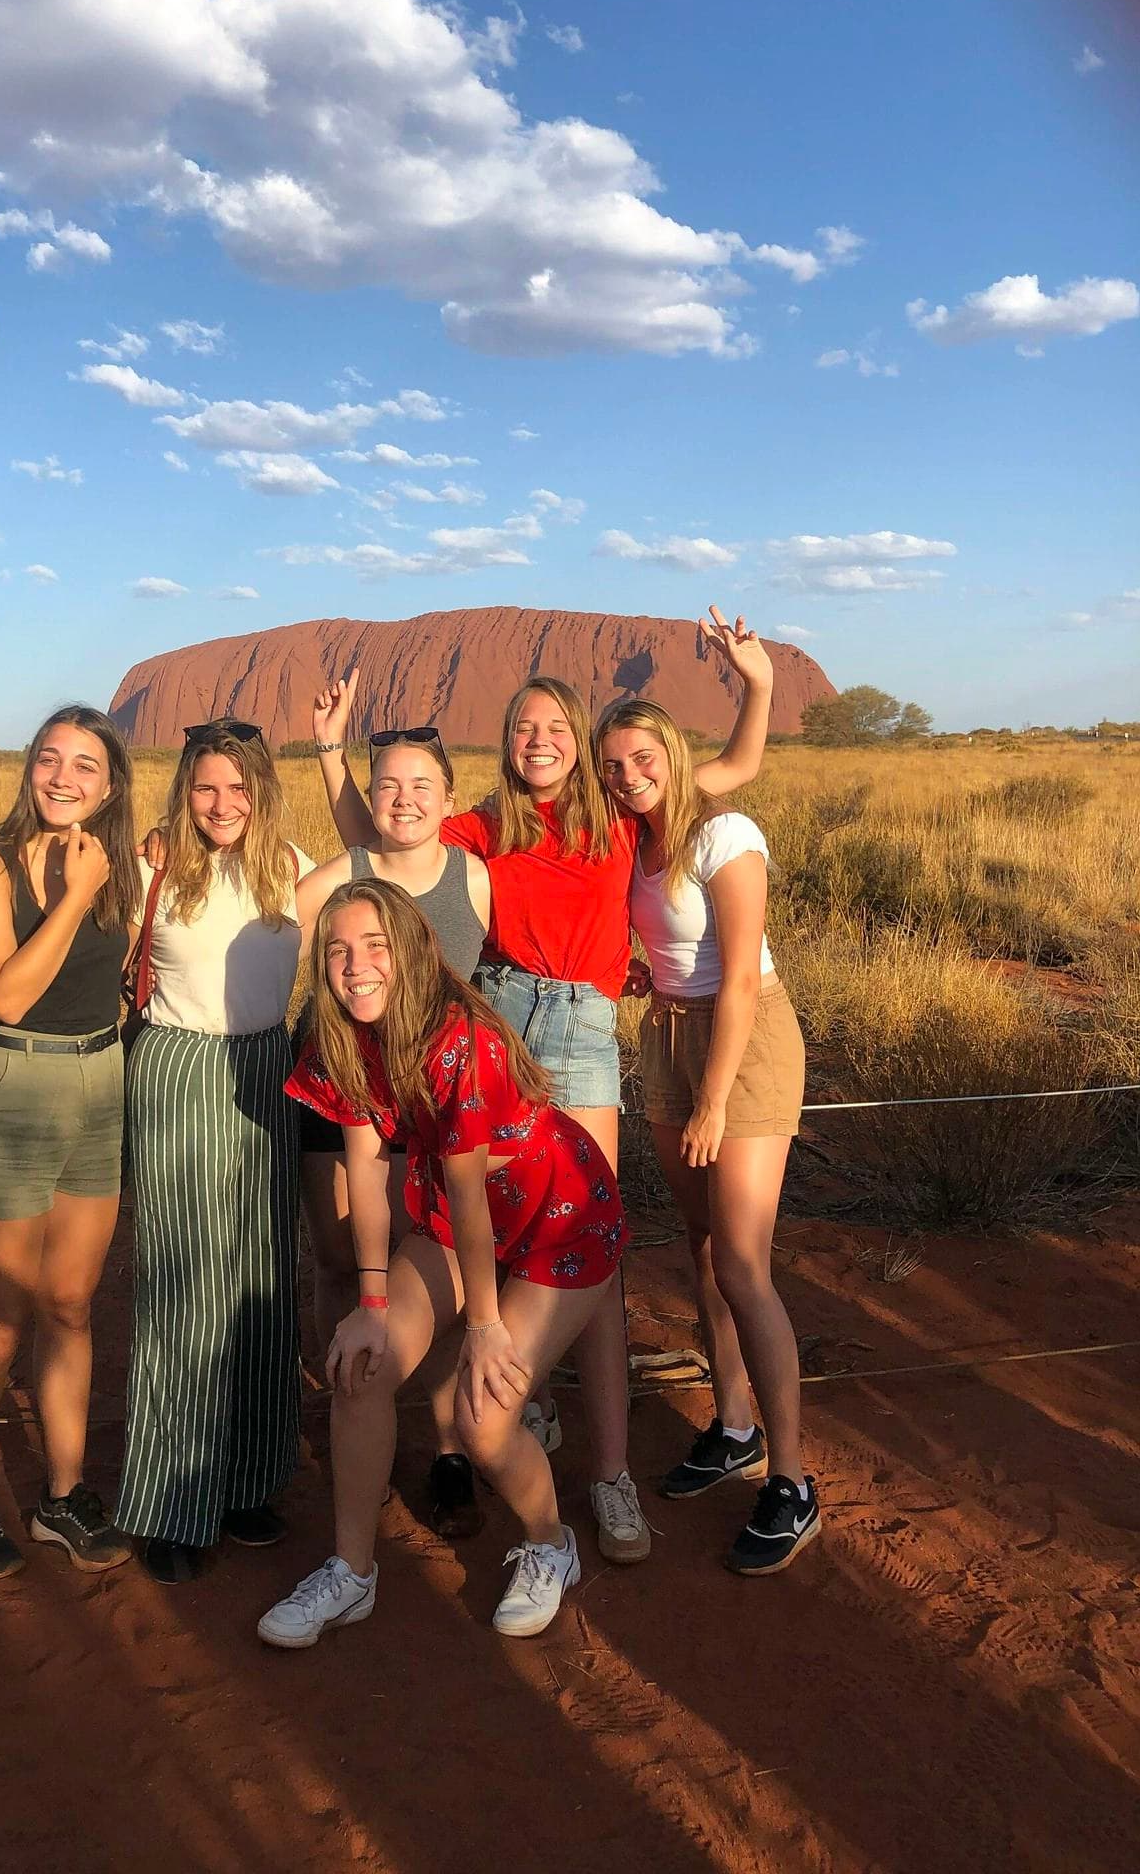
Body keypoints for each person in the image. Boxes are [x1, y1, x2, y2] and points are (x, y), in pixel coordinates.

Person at [311, 608, 772, 1567]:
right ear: (507, 744)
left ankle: (607, 1474)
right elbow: (386, 846)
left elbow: (729, 770)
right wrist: (328, 760)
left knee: (584, 1242)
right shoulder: (487, 823)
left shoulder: (614, 809)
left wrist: (758, 686)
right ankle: (515, 1416)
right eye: (524, 729)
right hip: (501, 1015)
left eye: (557, 728)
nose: (540, 742)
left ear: (581, 738)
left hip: (584, 1023)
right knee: (483, 1216)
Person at [257, 880, 626, 1647]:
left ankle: (552, 1545)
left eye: (373, 948)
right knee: (364, 1364)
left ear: (413, 952)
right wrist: (370, 1302)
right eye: (337, 952)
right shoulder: (340, 1037)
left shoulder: (459, 1037)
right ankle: (351, 1573)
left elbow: (467, 1192)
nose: (355, 968)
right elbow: (364, 1167)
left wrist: (485, 1326)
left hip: (559, 1217)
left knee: (484, 1416)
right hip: (461, 1220)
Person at [598, 697, 818, 1573]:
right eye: (613, 765)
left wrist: (716, 1100)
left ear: (672, 752)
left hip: (746, 1040)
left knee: (741, 1263)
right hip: (669, 1037)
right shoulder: (632, 835)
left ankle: (792, 1483)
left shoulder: (724, 835)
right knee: (698, 1244)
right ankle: (732, 1426)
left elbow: (735, 976)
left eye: (643, 757)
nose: (628, 775)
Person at [0, 706, 141, 1581]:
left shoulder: (121, 864)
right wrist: (78, 896)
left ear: (112, 784)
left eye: (85, 766)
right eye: (50, 760)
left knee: (69, 1306)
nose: (63, 778)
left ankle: (61, 1495)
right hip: (13, 1086)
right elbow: (8, 997)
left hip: (100, 1087)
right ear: (29, 769)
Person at [113, 721, 311, 1584]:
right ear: (183, 791)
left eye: (239, 787)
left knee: (264, 1276)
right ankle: (170, 1502)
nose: (223, 804)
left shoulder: (293, 867)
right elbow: (98, 963)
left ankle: (247, 1483)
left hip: (270, 1067)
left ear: (263, 789)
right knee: (184, 1282)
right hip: (180, 1068)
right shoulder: (152, 868)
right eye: (206, 787)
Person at [293, 726, 492, 1539]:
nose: (403, 799)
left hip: (430, 1103)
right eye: (385, 787)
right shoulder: (344, 872)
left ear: (450, 797)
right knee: (341, 1257)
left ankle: (447, 1448)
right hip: (338, 1086)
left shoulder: (476, 877)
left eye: (419, 785)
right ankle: (356, 1426)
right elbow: (270, 927)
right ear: (365, 801)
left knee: (429, 1270)